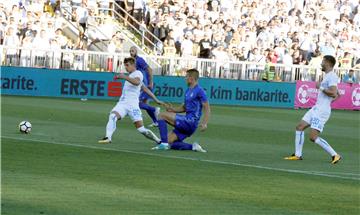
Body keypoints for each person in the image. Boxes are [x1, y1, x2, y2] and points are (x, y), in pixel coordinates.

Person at [284, 55, 341, 164]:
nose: (321, 64)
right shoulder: (328, 76)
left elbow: (333, 93)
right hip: (316, 108)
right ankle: (297, 155)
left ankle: (335, 155)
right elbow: (338, 95)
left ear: (328, 63)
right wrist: (327, 102)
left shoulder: (332, 76)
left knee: (313, 137)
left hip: (321, 111)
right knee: (299, 127)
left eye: (323, 61)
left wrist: (321, 88)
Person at [98, 57, 163, 144]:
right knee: (112, 116)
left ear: (133, 65)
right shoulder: (130, 75)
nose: (126, 67)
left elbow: (136, 82)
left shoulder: (138, 73)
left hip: (133, 106)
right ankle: (108, 137)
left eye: (127, 65)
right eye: (125, 65)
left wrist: (124, 77)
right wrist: (156, 99)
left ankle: (158, 141)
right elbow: (145, 89)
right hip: (123, 104)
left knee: (141, 129)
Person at [152, 69, 210, 152]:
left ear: (192, 78)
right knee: (169, 142)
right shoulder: (188, 90)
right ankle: (193, 147)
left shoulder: (200, 91)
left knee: (161, 115)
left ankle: (163, 145)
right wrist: (172, 110)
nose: (185, 78)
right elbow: (184, 108)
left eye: (186, 76)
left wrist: (205, 123)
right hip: (186, 121)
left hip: (190, 121)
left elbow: (207, 107)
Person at [129, 46, 160, 127]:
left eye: (133, 51)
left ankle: (155, 109)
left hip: (145, 85)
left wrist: (151, 82)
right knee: (145, 105)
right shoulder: (132, 62)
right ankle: (156, 121)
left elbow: (150, 70)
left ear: (136, 52)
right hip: (141, 85)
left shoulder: (139, 60)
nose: (131, 52)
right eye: (130, 51)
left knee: (137, 103)